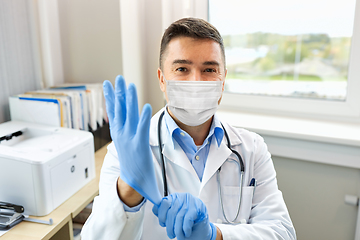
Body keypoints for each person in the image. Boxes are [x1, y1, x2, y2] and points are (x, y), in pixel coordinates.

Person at [81, 17, 296, 240]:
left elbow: (282, 233)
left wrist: (215, 235)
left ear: (222, 81)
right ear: (162, 79)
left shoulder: (252, 148)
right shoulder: (126, 152)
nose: (197, 82)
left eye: (209, 70)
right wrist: (127, 191)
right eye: (182, 68)